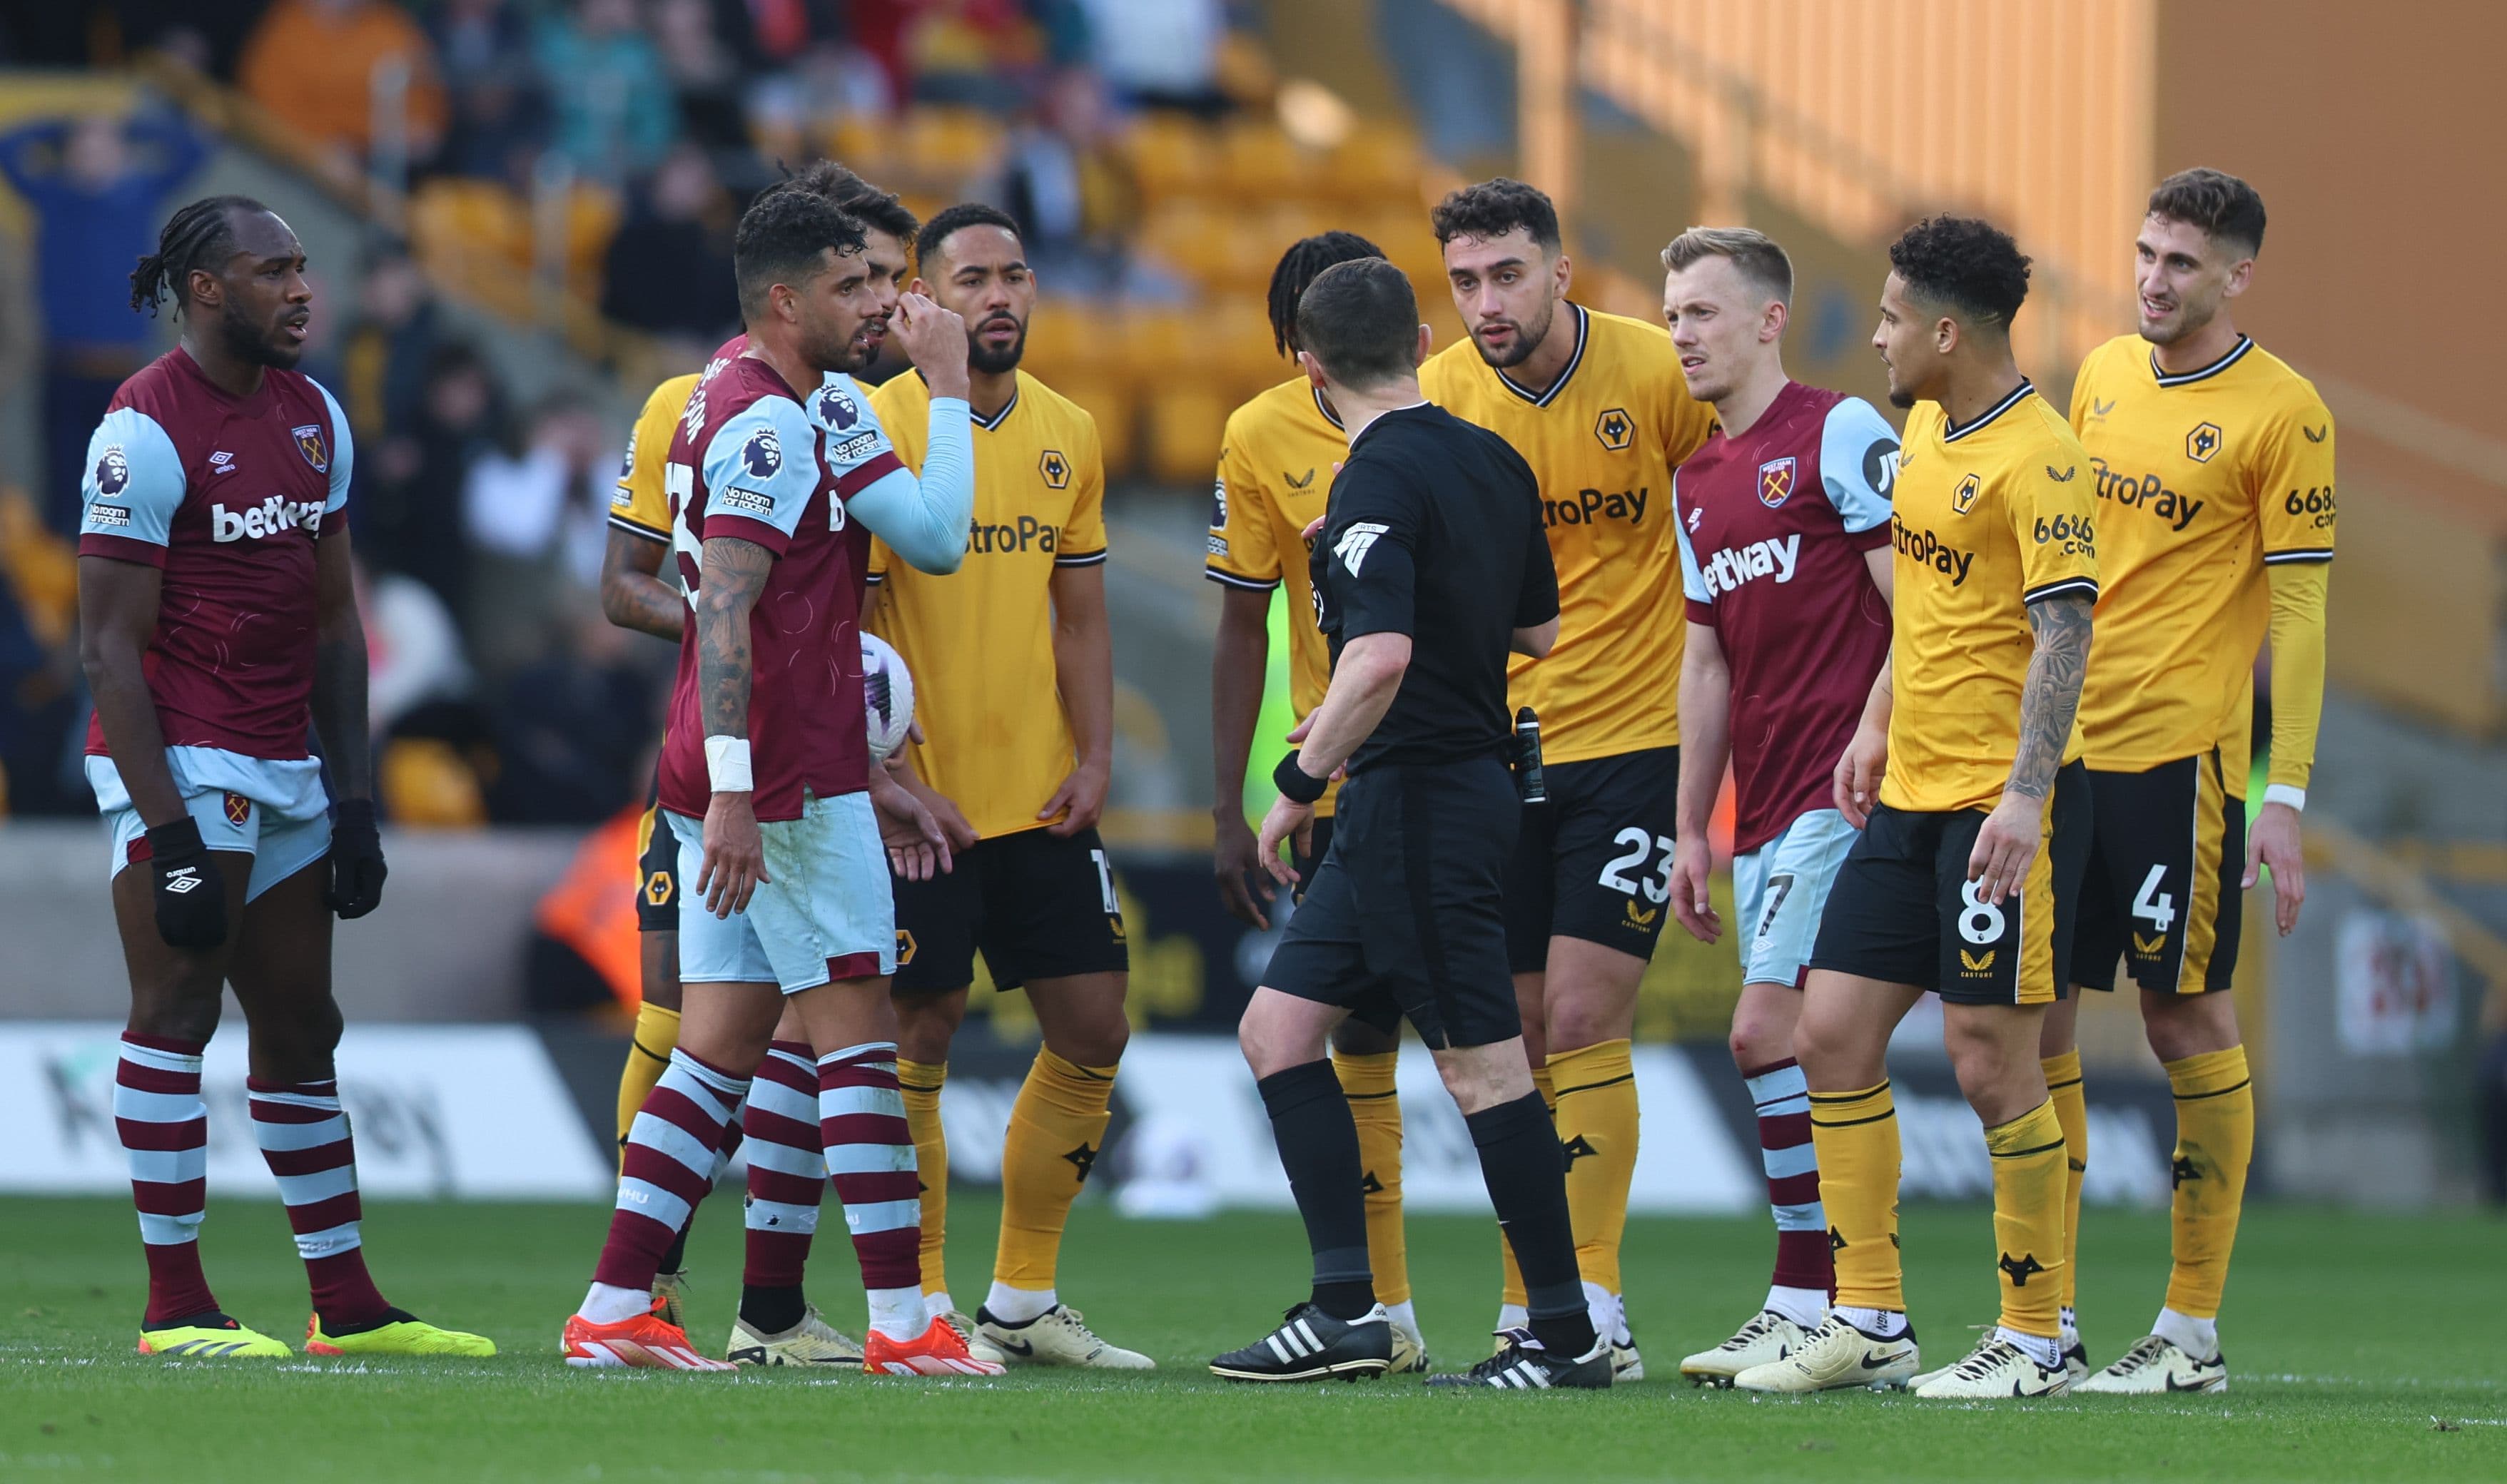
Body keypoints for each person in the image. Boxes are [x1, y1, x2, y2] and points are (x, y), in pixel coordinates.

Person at [559, 185, 993, 1376]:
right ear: (787, 297)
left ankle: (613, 1307)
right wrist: (748, 795)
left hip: (769, 768)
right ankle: (907, 1327)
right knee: (857, 1038)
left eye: (888, 280)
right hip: (776, 783)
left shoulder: (826, 405)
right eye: (857, 284)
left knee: (714, 1056)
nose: (885, 303)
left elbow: (937, 537)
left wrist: (943, 397)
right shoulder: (760, 421)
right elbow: (726, 612)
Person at [78, 195, 491, 1360]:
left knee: (305, 1027)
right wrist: (166, 832)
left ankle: (347, 1308)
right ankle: (176, 1308)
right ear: (208, 289)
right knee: (176, 1009)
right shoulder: (141, 429)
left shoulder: (315, 416)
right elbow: (106, 648)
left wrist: (356, 802)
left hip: (288, 765)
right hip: (184, 757)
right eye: (277, 271)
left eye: (307, 268)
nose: (306, 290)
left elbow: (333, 627)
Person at [1206, 258, 1596, 1390]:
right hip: (1422, 792)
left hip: (1419, 792)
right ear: (1424, 339)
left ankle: (1565, 1336)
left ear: (1309, 367)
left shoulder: (1373, 480)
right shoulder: (1492, 459)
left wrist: (1293, 779)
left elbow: (1377, 656)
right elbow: (1538, 633)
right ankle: (1348, 1311)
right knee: (1276, 1033)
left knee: (1484, 1072)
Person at [1734, 216, 2098, 1400]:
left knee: (1991, 1063)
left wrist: (2024, 800)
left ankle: (2034, 1335)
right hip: (1903, 794)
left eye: (1890, 318)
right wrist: (1875, 722)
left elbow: (2062, 632)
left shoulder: (2042, 459)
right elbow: (1930, 607)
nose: (1876, 336)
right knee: (1825, 1034)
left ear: (1946, 331)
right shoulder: (1927, 428)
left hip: (1998, 810)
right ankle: (1872, 1321)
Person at [1417, 178, 1716, 1371]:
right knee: (1519, 1039)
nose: (1485, 302)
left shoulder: (1652, 376)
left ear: (1560, 271)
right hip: (1499, 756)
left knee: (1588, 1019)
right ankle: (1529, 1301)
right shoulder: (1440, 396)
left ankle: (1589, 1306)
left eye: (1505, 275)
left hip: (1635, 746)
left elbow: (1744, 509)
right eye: (1463, 283)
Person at [2057, 169, 2333, 1395]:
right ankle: (2038, 1321)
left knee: (2181, 1022)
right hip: (2062, 751)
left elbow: (2302, 607)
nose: (2152, 279)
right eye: (2143, 254)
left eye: (2180, 262)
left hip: (2182, 760)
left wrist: (2286, 796)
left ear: (2235, 276)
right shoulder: (2101, 374)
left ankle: (2187, 1332)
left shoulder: (2285, 414)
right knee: (2030, 1026)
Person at [865, 203, 1150, 1370]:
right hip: (920, 803)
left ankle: (1021, 1299)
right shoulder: (871, 424)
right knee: (916, 1039)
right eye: (971, 277)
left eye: (1015, 274)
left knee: (1094, 1027)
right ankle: (924, 1305)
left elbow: (1078, 615)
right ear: (919, 302)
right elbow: (834, 626)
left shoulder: (1066, 433)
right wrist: (873, 777)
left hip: (1037, 797)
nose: (1000, 295)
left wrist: (1093, 757)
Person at [1652, 227, 1899, 1384]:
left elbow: (1921, 608)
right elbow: (1705, 667)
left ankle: (1834, 1300)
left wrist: (1876, 730)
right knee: (1786, 1044)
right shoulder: (1696, 479)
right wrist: (1689, 827)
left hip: (1842, 791)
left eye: (1699, 312)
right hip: (1757, 809)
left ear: (1764, 319)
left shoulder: (1839, 431)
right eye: (1669, 316)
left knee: (1766, 1033)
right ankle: (1822, 1300)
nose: (1679, 334)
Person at [1206, 229, 1431, 1374]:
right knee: (1354, 1039)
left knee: (1505, 1039)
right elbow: (1245, 621)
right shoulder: (1258, 434)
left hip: (1435, 767)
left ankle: (1555, 1312)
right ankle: (1380, 1312)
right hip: (1333, 776)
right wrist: (1230, 802)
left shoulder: (1439, 422)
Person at [0, 107, 206, 534]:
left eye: (103, 148)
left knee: (122, 484)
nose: (93, 158)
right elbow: (8, 148)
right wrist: (63, 125)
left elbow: (193, 148)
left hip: (123, 368)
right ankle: (63, 583)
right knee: (61, 482)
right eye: (84, 149)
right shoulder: (53, 198)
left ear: (122, 154)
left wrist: (128, 124)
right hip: (63, 363)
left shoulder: (139, 195)